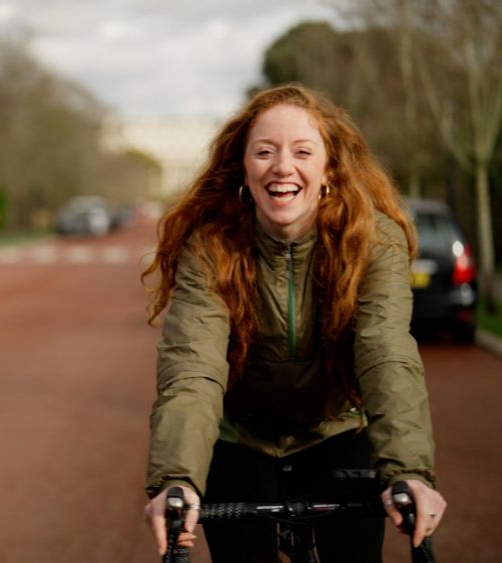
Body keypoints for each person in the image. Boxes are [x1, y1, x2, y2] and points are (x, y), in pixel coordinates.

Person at [141, 83, 446, 562]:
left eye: (302, 151)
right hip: (242, 435)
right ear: (243, 168)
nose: (283, 166)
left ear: (328, 170)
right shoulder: (211, 246)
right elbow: (193, 368)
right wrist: (176, 479)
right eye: (264, 152)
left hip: (337, 427)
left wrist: (409, 472)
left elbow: (385, 351)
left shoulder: (372, 240)